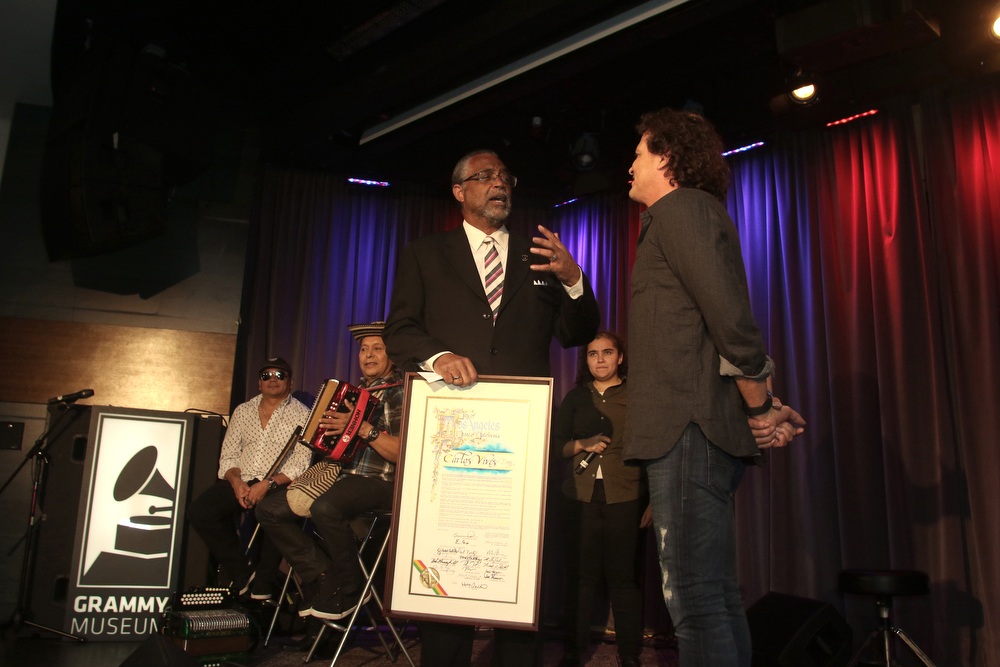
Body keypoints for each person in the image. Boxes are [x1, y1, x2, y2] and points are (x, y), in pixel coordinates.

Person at [383, 149, 600, 667]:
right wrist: (438, 357)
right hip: (453, 436)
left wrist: (574, 279)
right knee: (450, 569)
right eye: (484, 176)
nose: (498, 183)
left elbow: (578, 333)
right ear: (459, 191)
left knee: (519, 576)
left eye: (505, 176)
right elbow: (400, 331)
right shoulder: (425, 253)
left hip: (521, 442)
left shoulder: (540, 255)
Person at [622, 108, 805, 667]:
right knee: (714, 597)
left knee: (698, 600)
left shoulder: (682, 211)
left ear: (668, 159)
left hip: (689, 430)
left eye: (638, 152)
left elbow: (729, 318)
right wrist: (763, 403)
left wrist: (763, 405)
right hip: (692, 431)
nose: (628, 164)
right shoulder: (680, 216)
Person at [255, 321, 403, 622]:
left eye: (377, 349)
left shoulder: (399, 392)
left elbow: (403, 452)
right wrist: (324, 436)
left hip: (382, 481)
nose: (369, 355)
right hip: (343, 477)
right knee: (269, 509)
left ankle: (351, 591)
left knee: (326, 507)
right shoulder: (354, 392)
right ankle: (326, 576)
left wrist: (362, 428)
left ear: (392, 355)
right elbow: (337, 445)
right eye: (364, 350)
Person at [552, 331, 650, 667]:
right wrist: (583, 443)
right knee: (581, 579)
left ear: (620, 357)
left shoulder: (638, 395)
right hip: (580, 499)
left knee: (625, 580)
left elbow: (652, 450)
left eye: (607, 353)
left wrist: (652, 501)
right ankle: (573, 653)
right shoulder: (577, 397)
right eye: (593, 354)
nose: (601, 360)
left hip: (626, 496)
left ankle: (629, 656)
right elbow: (556, 446)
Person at [187, 357, 312, 599]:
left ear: (290, 381)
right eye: (267, 375)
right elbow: (229, 456)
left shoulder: (303, 415)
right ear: (259, 383)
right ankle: (242, 571)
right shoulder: (243, 411)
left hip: (278, 483)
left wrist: (269, 483)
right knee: (199, 511)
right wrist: (236, 482)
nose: (273, 379)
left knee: (273, 512)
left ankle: (263, 585)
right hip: (241, 480)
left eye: (280, 375)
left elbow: (301, 463)